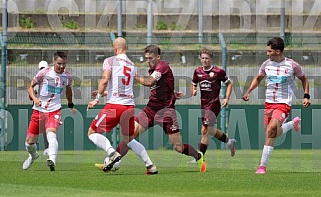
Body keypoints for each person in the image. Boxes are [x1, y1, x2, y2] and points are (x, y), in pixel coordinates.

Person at [115, 44, 206, 173]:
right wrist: (171, 93)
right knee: (130, 134)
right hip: (151, 110)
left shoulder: (162, 66)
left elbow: (150, 82)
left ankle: (198, 156)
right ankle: (112, 160)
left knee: (178, 147)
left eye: (150, 58)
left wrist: (134, 77)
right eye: (146, 58)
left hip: (166, 112)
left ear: (158, 57)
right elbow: (162, 84)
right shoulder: (152, 69)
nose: (148, 61)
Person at [87, 37, 157, 173]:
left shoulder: (110, 61)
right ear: (127, 48)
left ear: (115, 48)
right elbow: (122, 87)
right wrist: (106, 93)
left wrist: (97, 98)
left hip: (114, 106)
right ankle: (150, 165)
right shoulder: (131, 64)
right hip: (129, 107)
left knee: (92, 132)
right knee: (129, 139)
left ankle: (112, 153)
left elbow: (105, 79)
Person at [242, 37, 311, 174]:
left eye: (269, 51)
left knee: (272, 128)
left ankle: (262, 166)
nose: (267, 53)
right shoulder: (266, 64)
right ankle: (292, 124)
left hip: (284, 102)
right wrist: (249, 91)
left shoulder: (292, 65)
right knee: (270, 133)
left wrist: (306, 95)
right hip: (269, 103)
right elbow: (258, 78)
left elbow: (304, 79)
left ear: (278, 51)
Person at [23, 51, 76, 171]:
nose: (62, 67)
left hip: (54, 110)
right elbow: (29, 86)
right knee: (29, 143)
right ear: (53, 62)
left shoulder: (67, 76)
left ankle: (52, 159)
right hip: (39, 110)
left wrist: (70, 104)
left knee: (51, 133)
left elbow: (68, 90)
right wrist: (35, 99)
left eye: (64, 64)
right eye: (59, 64)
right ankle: (33, 155)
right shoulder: (44, 72)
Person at [190, 48, 236, 164]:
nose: (204, 60)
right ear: (200, 58)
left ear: (211, 59)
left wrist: (226, 98)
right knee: (209, 130)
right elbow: (193, 84)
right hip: (203, 104)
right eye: (203, 58)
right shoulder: (197, 71)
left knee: (204, 129)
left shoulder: (218, 72)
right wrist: (194, 90)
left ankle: (199, 157)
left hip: (214, 103)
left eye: (207, 58)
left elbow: (229, 84)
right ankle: (229, 142)